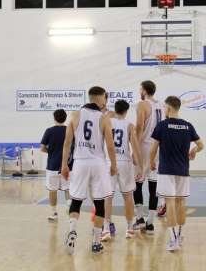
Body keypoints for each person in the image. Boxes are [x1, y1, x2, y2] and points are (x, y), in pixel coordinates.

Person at [61, 86, 117, 255]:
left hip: (80, 162)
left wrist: (64, 165)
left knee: (76, 200)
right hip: (98, 163)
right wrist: (113, 164)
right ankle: (96, 242)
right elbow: (110, 145)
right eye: (105, 99)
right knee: (99, 202)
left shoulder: (76, 115)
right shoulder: (104, 118)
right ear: (100, 99)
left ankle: (72, 230)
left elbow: (67, 143)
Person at [150, 96, 204, 252]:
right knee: (181, 204)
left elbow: (154, 148)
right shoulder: (188, 126)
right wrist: (194, 150)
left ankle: (173, 240)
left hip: (166, 170)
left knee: (170, 203)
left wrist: (151, 162)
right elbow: (201, 145)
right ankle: (179, 236)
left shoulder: (162, 125)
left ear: (168, 109)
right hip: (183, 171)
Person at [101, 100, 142, 241]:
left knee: (108, 197)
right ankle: (130, 228)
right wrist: (140, 167)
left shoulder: (107, 122)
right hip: (124, 163)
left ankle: (105, 229)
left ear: (115, 109)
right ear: (126, 111)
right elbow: (135, 147)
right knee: (128, 197)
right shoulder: (129, 125)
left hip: (108, 162)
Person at [133, 80, 165, 233]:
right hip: (158, 147)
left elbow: (139, 126)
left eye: (140, 89)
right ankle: (150, 223)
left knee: (137, 182)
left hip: (145, 145)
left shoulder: (142, 104)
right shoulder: (163, 105)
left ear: (144, 90)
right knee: (153, 185)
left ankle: (139, 218)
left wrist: (135, 148)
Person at [40, 109, 72, 221]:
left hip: (52, 166)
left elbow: (43, 148)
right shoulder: (70, 130)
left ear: (54, 118)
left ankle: (54, 213)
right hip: (68, 166)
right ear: (65, 118)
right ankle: (69, 210)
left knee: (52, 191)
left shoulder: (49, 131)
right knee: (68, 189)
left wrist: (52, 152)